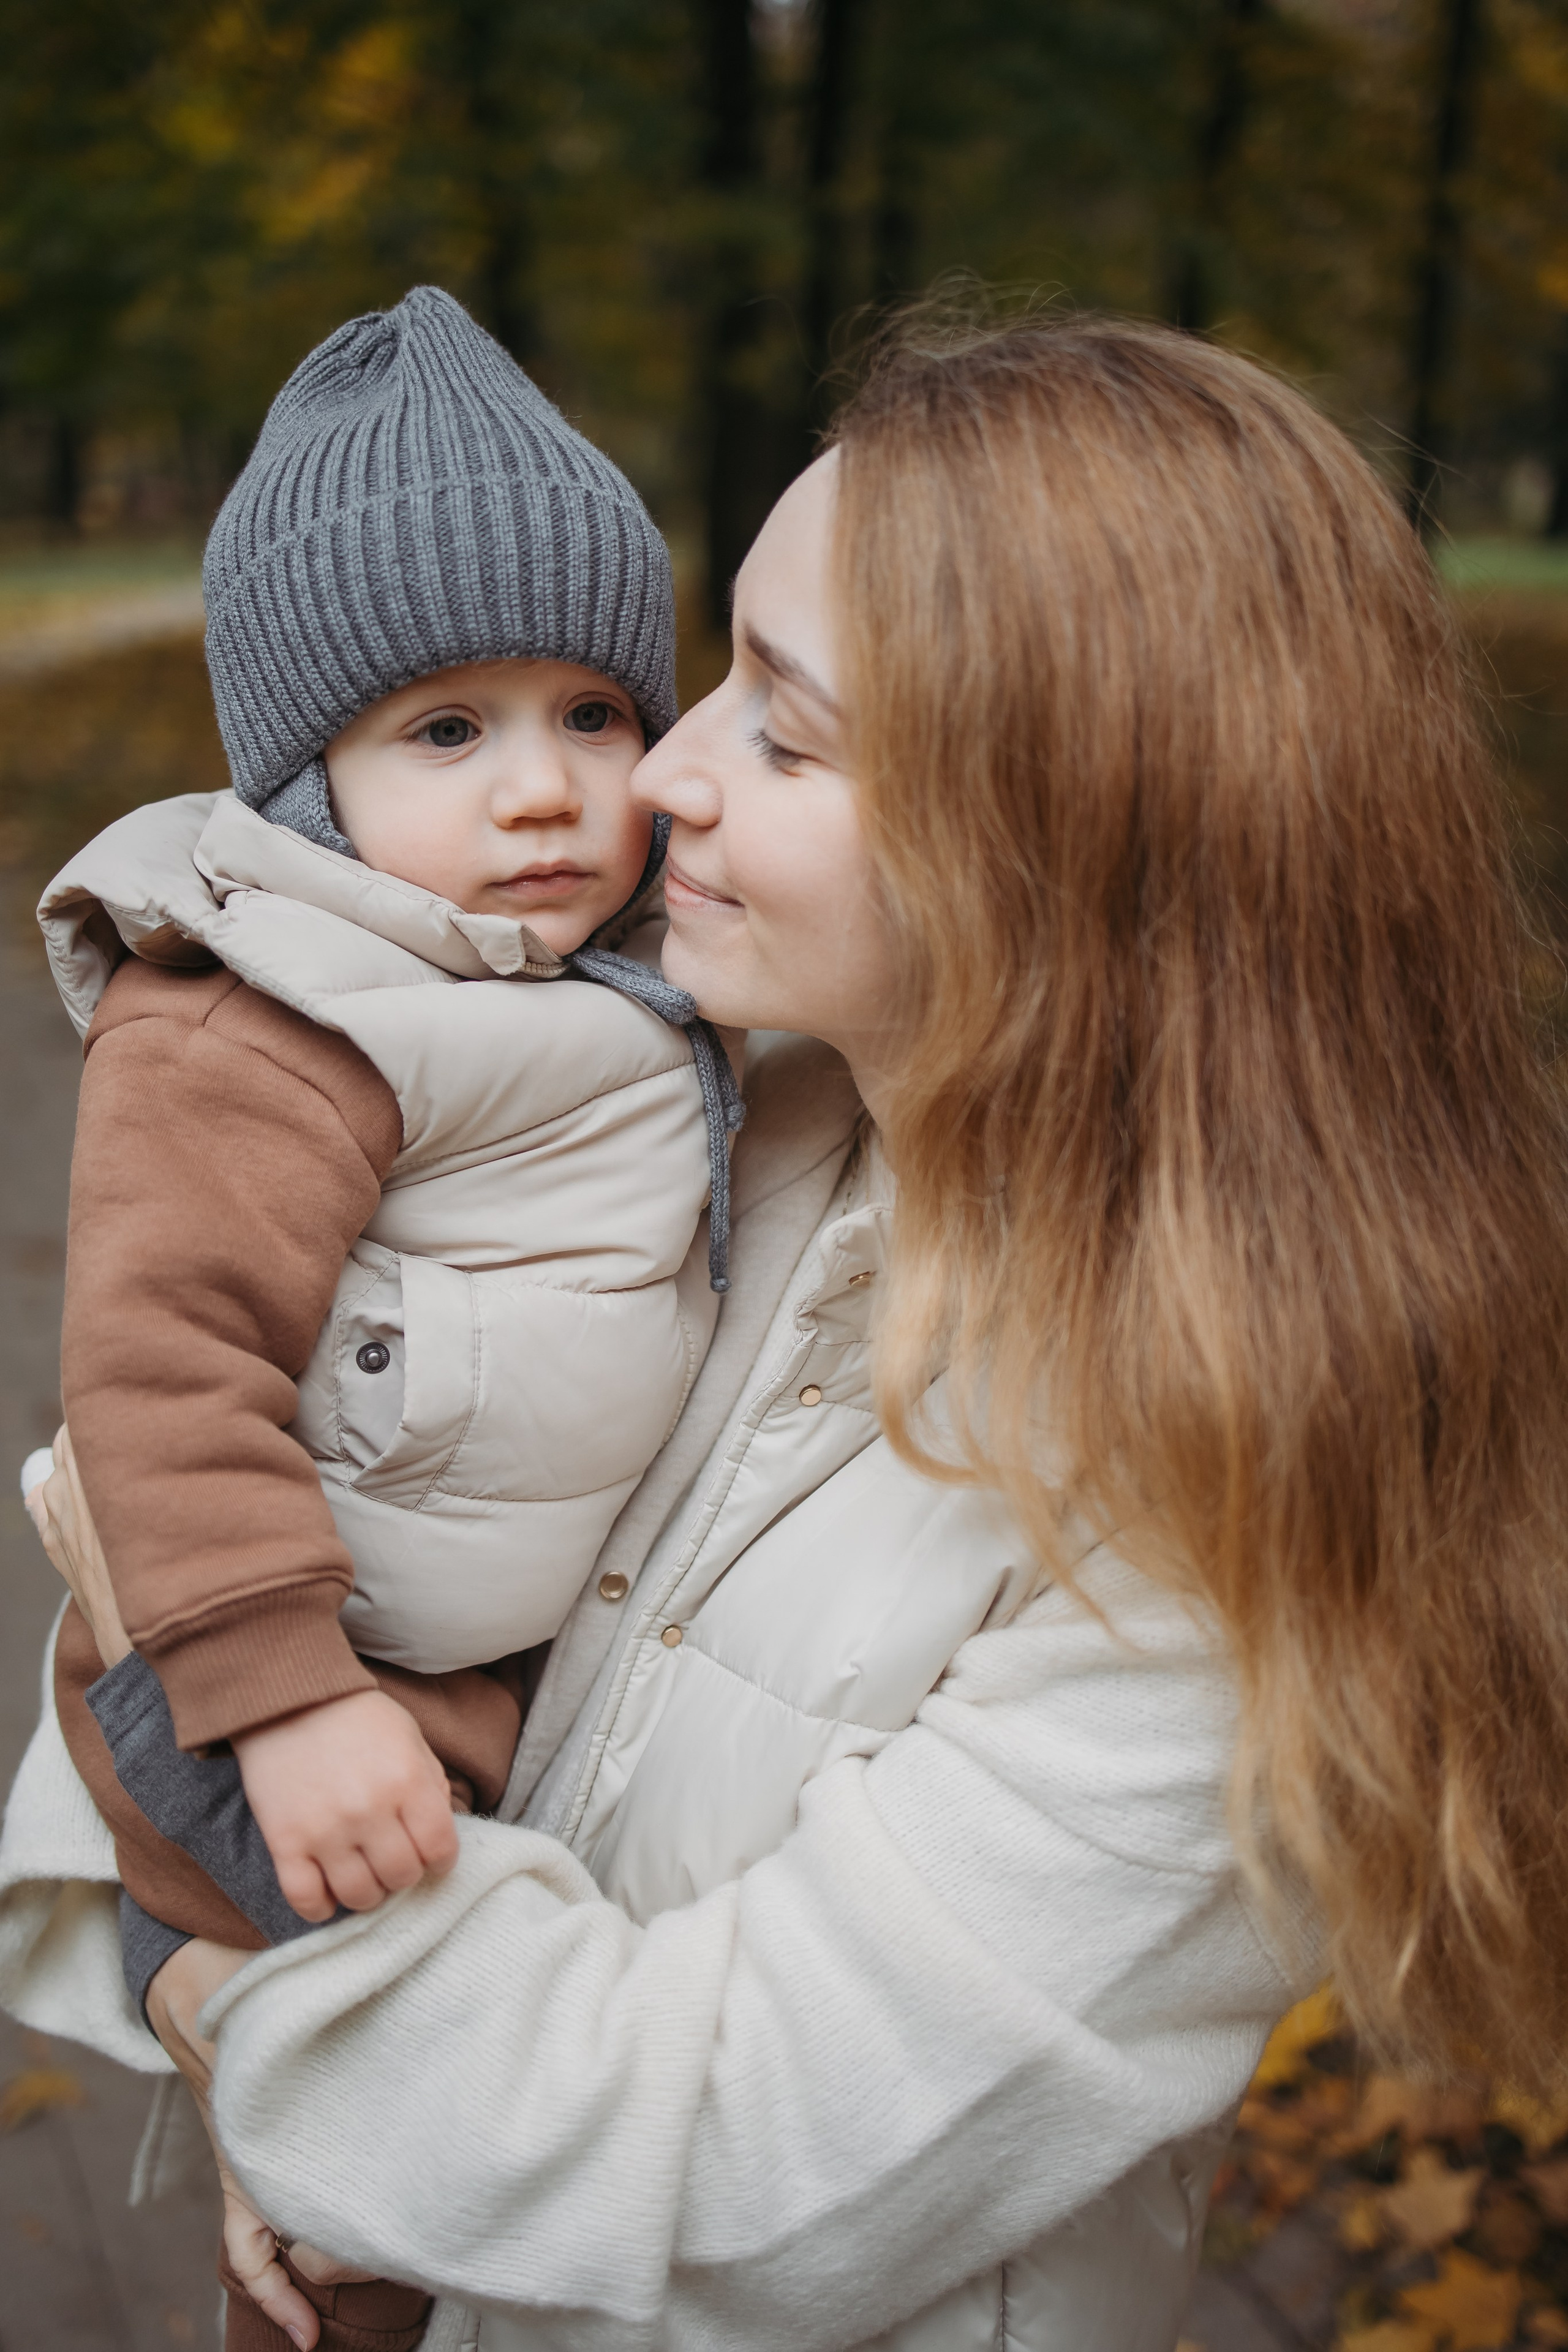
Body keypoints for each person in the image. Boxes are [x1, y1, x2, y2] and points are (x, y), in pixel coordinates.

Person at [12, 311, 1568, 2352]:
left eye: (783, 727)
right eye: (718, 666)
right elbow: (206, 1468)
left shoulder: (1243, 1503)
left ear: (1067, 839)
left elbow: (716, 2150)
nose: (654, 771)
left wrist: (242, 2011)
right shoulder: (727, 1109)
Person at [31, 282, 744, 1998]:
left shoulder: (633, 973)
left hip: (498, 1690)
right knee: (368, 2169)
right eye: (448, 730)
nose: (544, 789)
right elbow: (158, 1367)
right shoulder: (266, 1018)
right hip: (286, 1697)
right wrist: (276, 1695)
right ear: (303, 789)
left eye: (593, 713)